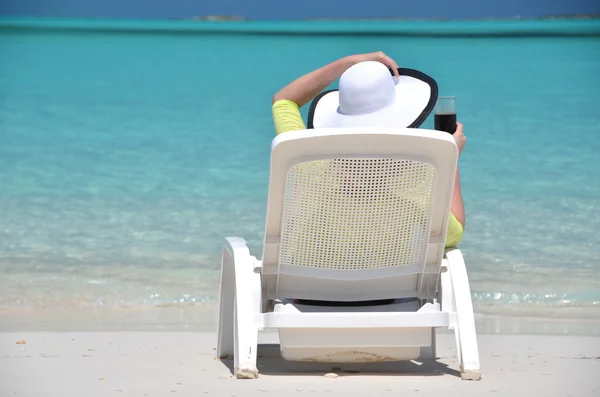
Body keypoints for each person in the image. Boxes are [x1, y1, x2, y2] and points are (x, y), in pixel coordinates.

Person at [272, 52, 466, 248]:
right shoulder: (418, 180)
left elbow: (284, 101)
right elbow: (451, 236)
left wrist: (347, 63)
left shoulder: (305, 161)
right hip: (391, 280)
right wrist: (450, 158)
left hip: (304, 279)